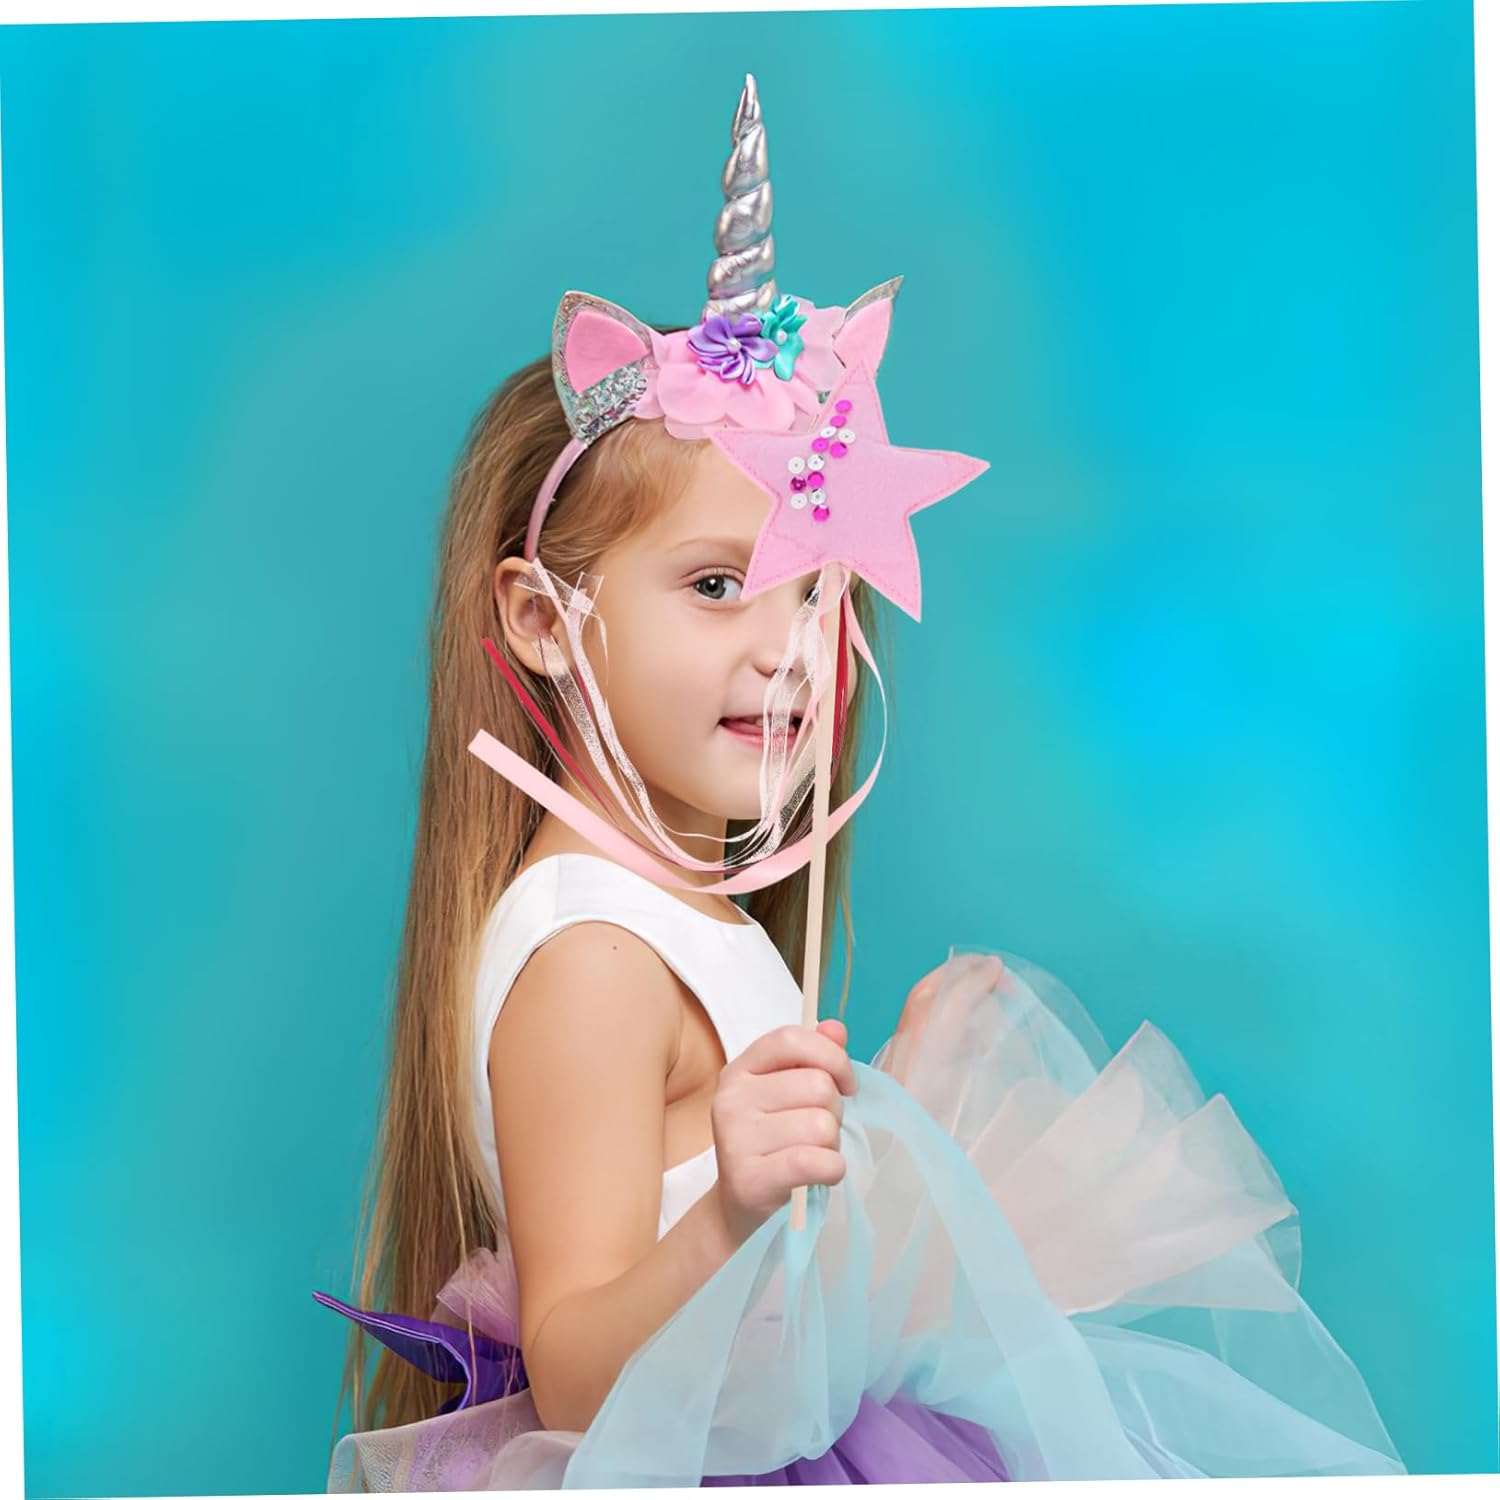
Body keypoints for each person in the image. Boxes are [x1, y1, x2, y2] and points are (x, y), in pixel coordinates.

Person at [312, 74, 1407, 1489]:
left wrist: (887, 1108)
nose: (786, 649)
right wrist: (733, 1211)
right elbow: (581, 1371)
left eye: (816, 595)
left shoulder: (672, 914)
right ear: (540, 618)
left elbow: (761, 1249)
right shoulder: (591, 952)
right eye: (717, 585)